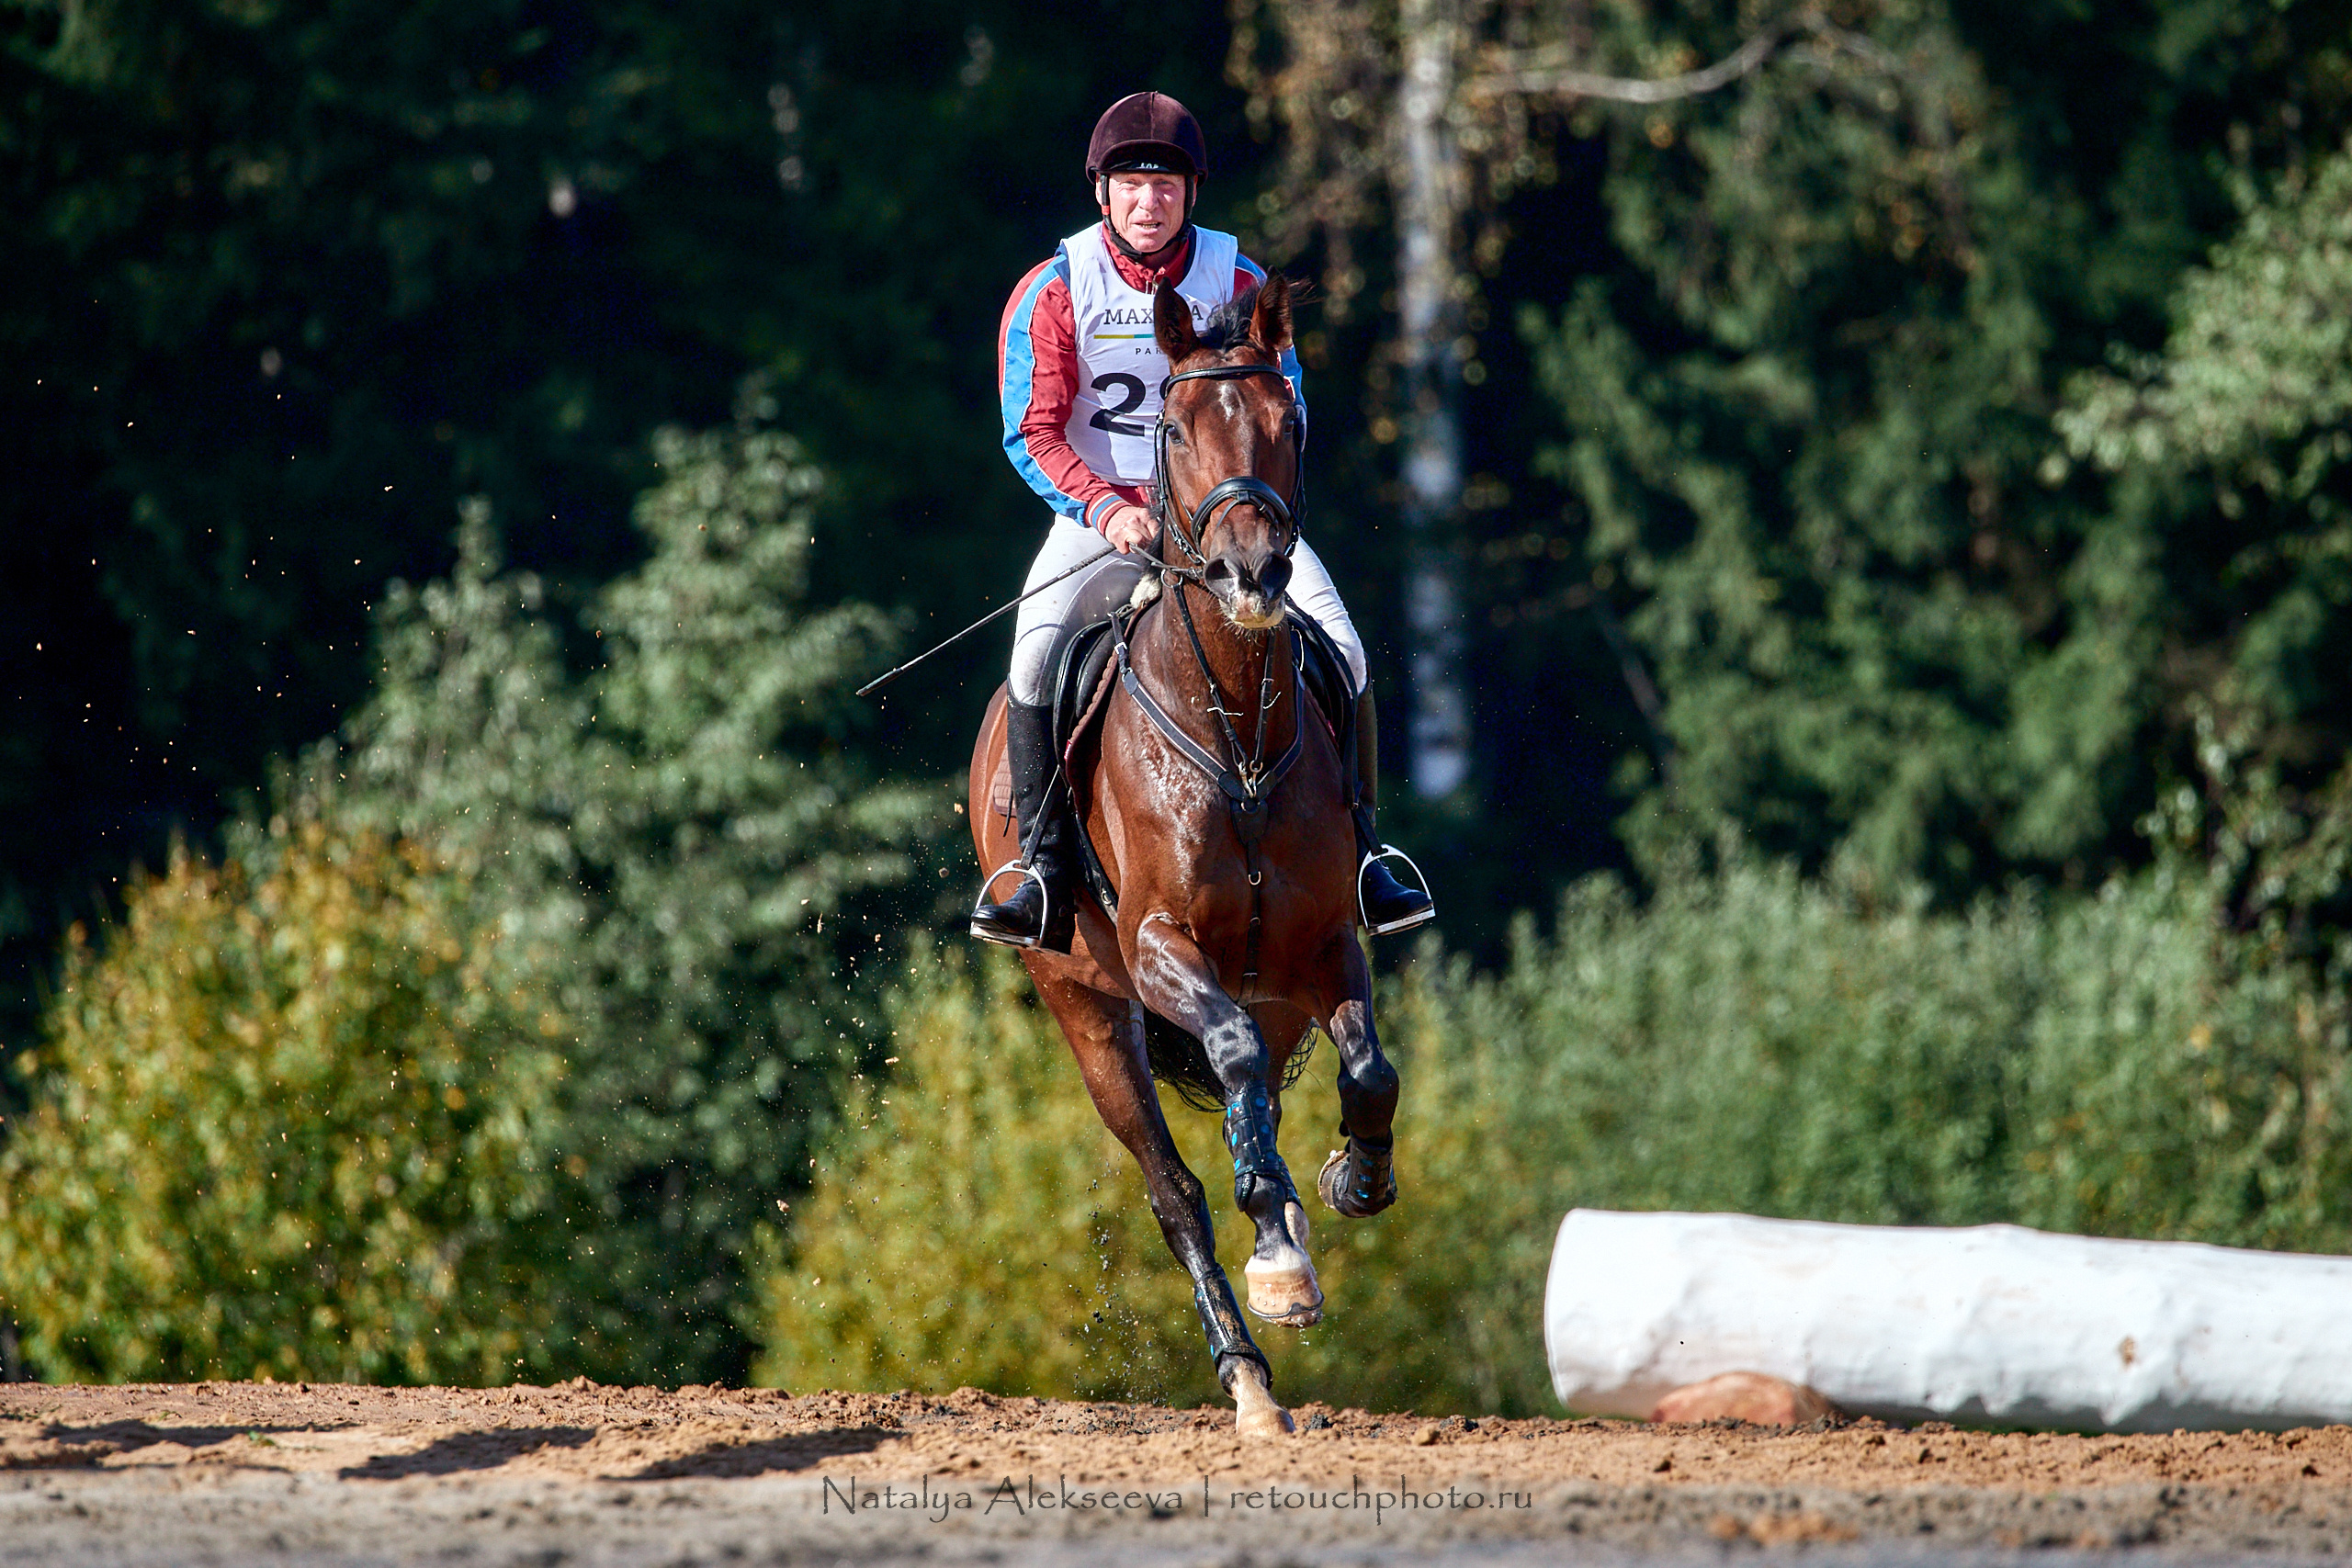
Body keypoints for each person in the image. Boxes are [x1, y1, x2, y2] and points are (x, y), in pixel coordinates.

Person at [971, 90, 1434, 952]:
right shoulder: (1056, 288)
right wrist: (1108, 510)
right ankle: (1035, 869)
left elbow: (1287, 410)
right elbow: (1028, 428)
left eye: (1168, 184)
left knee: (1348, 646)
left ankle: (1369, 857)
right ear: (1102, 194)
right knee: (1034, 653)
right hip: (1102, 515)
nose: (1151, 201)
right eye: (1132, 185)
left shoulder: (1246, 282)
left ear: (1192, 193)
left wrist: (1252, 504)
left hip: (1229, 523)